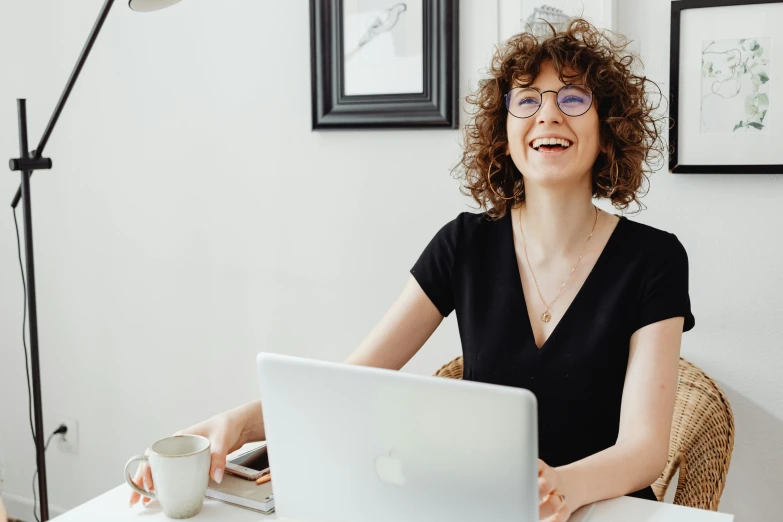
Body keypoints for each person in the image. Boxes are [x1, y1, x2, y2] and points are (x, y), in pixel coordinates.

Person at [129, 19, 693, 522]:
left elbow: (644, 449)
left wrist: (559, 490)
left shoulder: (655, 259)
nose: (547, 114)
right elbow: (347, 383)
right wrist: (235, 423)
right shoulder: (463, 244)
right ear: (506, 130)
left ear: (608, 127)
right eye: (527, 100)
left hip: (604, 510)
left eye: (573, 99)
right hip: (481, 508)